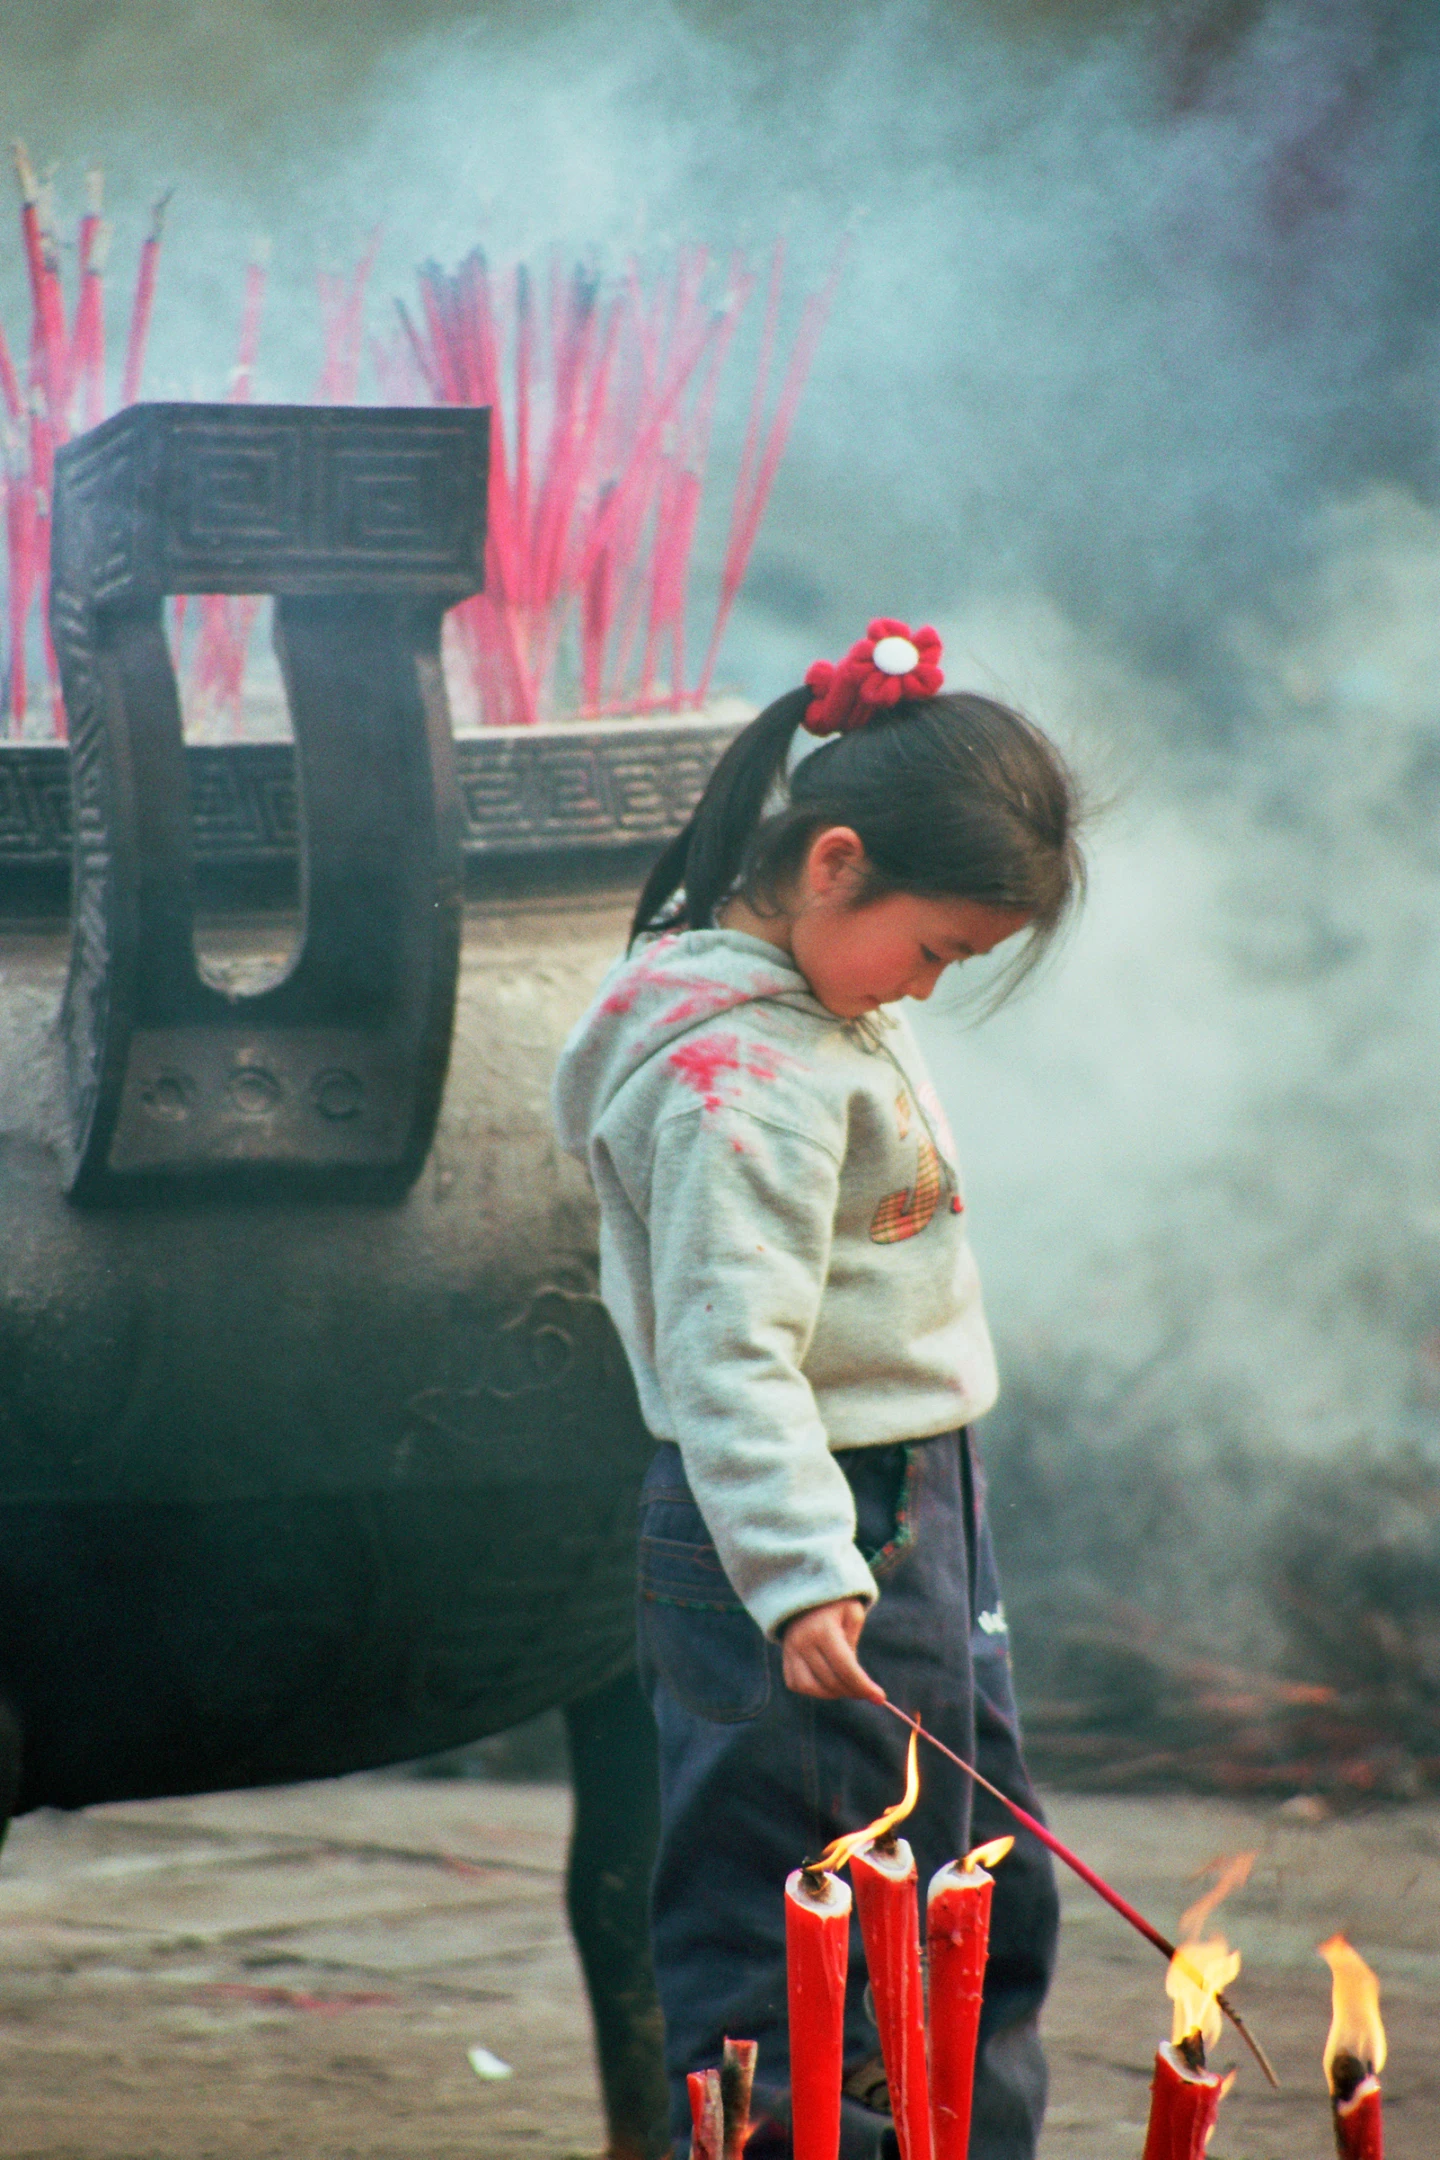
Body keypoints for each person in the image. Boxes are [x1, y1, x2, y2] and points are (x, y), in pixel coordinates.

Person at [552, 618, 1085, 2160]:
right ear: (834, 862)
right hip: (810, 1522)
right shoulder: (742, 1088)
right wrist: (795, 1579)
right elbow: (732, 1355)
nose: (928, 986)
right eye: (935, 950)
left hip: (915, 1494)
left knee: (976, 1882)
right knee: (796, 1915)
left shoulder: (828, 1006)